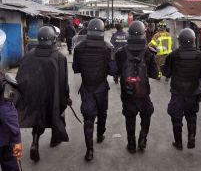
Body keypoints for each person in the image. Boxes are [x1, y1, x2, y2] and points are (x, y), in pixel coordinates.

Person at [16, 25, 71, 162]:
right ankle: (54, 139)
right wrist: (65, 97)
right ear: (53, 39)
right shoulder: (59, 57)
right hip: (53, 95)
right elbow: (63, 81)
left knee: (37, 118)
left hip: (34, 95)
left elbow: (20, 78)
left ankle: (35, 141)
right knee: (56, 114)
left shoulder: (28, 56)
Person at [72, 18, 116, 161]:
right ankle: (100, 135)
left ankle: (89, 151)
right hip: (101, 88)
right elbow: (112, 71)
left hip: (87, 88)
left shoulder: (79, 47)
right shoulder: (107, 47)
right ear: (103, 31)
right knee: (102, 113)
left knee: (88, 119)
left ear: (88, 29)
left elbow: (76, 68)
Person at [115, 21, 158, 154]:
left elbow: (115, 72)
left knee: (130, 117)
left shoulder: (120, 52)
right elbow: (154, 74)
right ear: (143, 34)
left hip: (127, 92)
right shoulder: (149, 52)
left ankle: (131, 144)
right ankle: (143, 139)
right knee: (147, 114)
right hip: (143, 93)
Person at [163, 28, 201, 150]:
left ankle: (178, 143)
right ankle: (191, 137)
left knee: (176, 117)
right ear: (194, 40)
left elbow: (167, 73)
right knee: (191, 115)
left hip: (177, 93)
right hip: (193, 92)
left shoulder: (173, 55)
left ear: (180, 41)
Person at [0, 34, 22, 171]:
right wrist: (17, 143)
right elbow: (8, 116)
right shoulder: (2, 84)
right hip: (4, 140)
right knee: (11, 163)